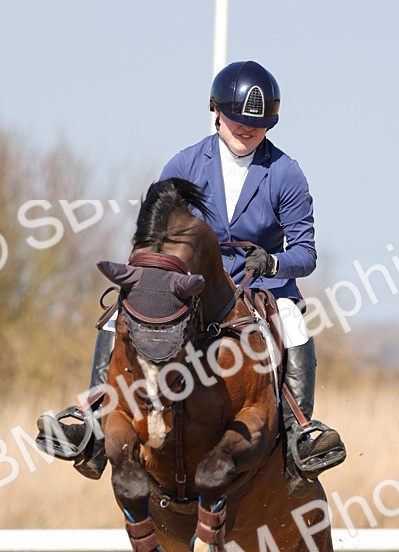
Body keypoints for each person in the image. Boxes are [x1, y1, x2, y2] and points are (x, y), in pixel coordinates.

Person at [38, 60, 345, 492]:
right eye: (237, 119)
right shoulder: (184, 164)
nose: (246, 130)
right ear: (216, 111)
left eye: (256, 124)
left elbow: (305, 252)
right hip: (187, 286)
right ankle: (90, 420)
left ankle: (299, 432)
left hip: (260, 289)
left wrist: (272, 263)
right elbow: (152, 237)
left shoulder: (285, 172)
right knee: (114, 318)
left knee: (295, 322)